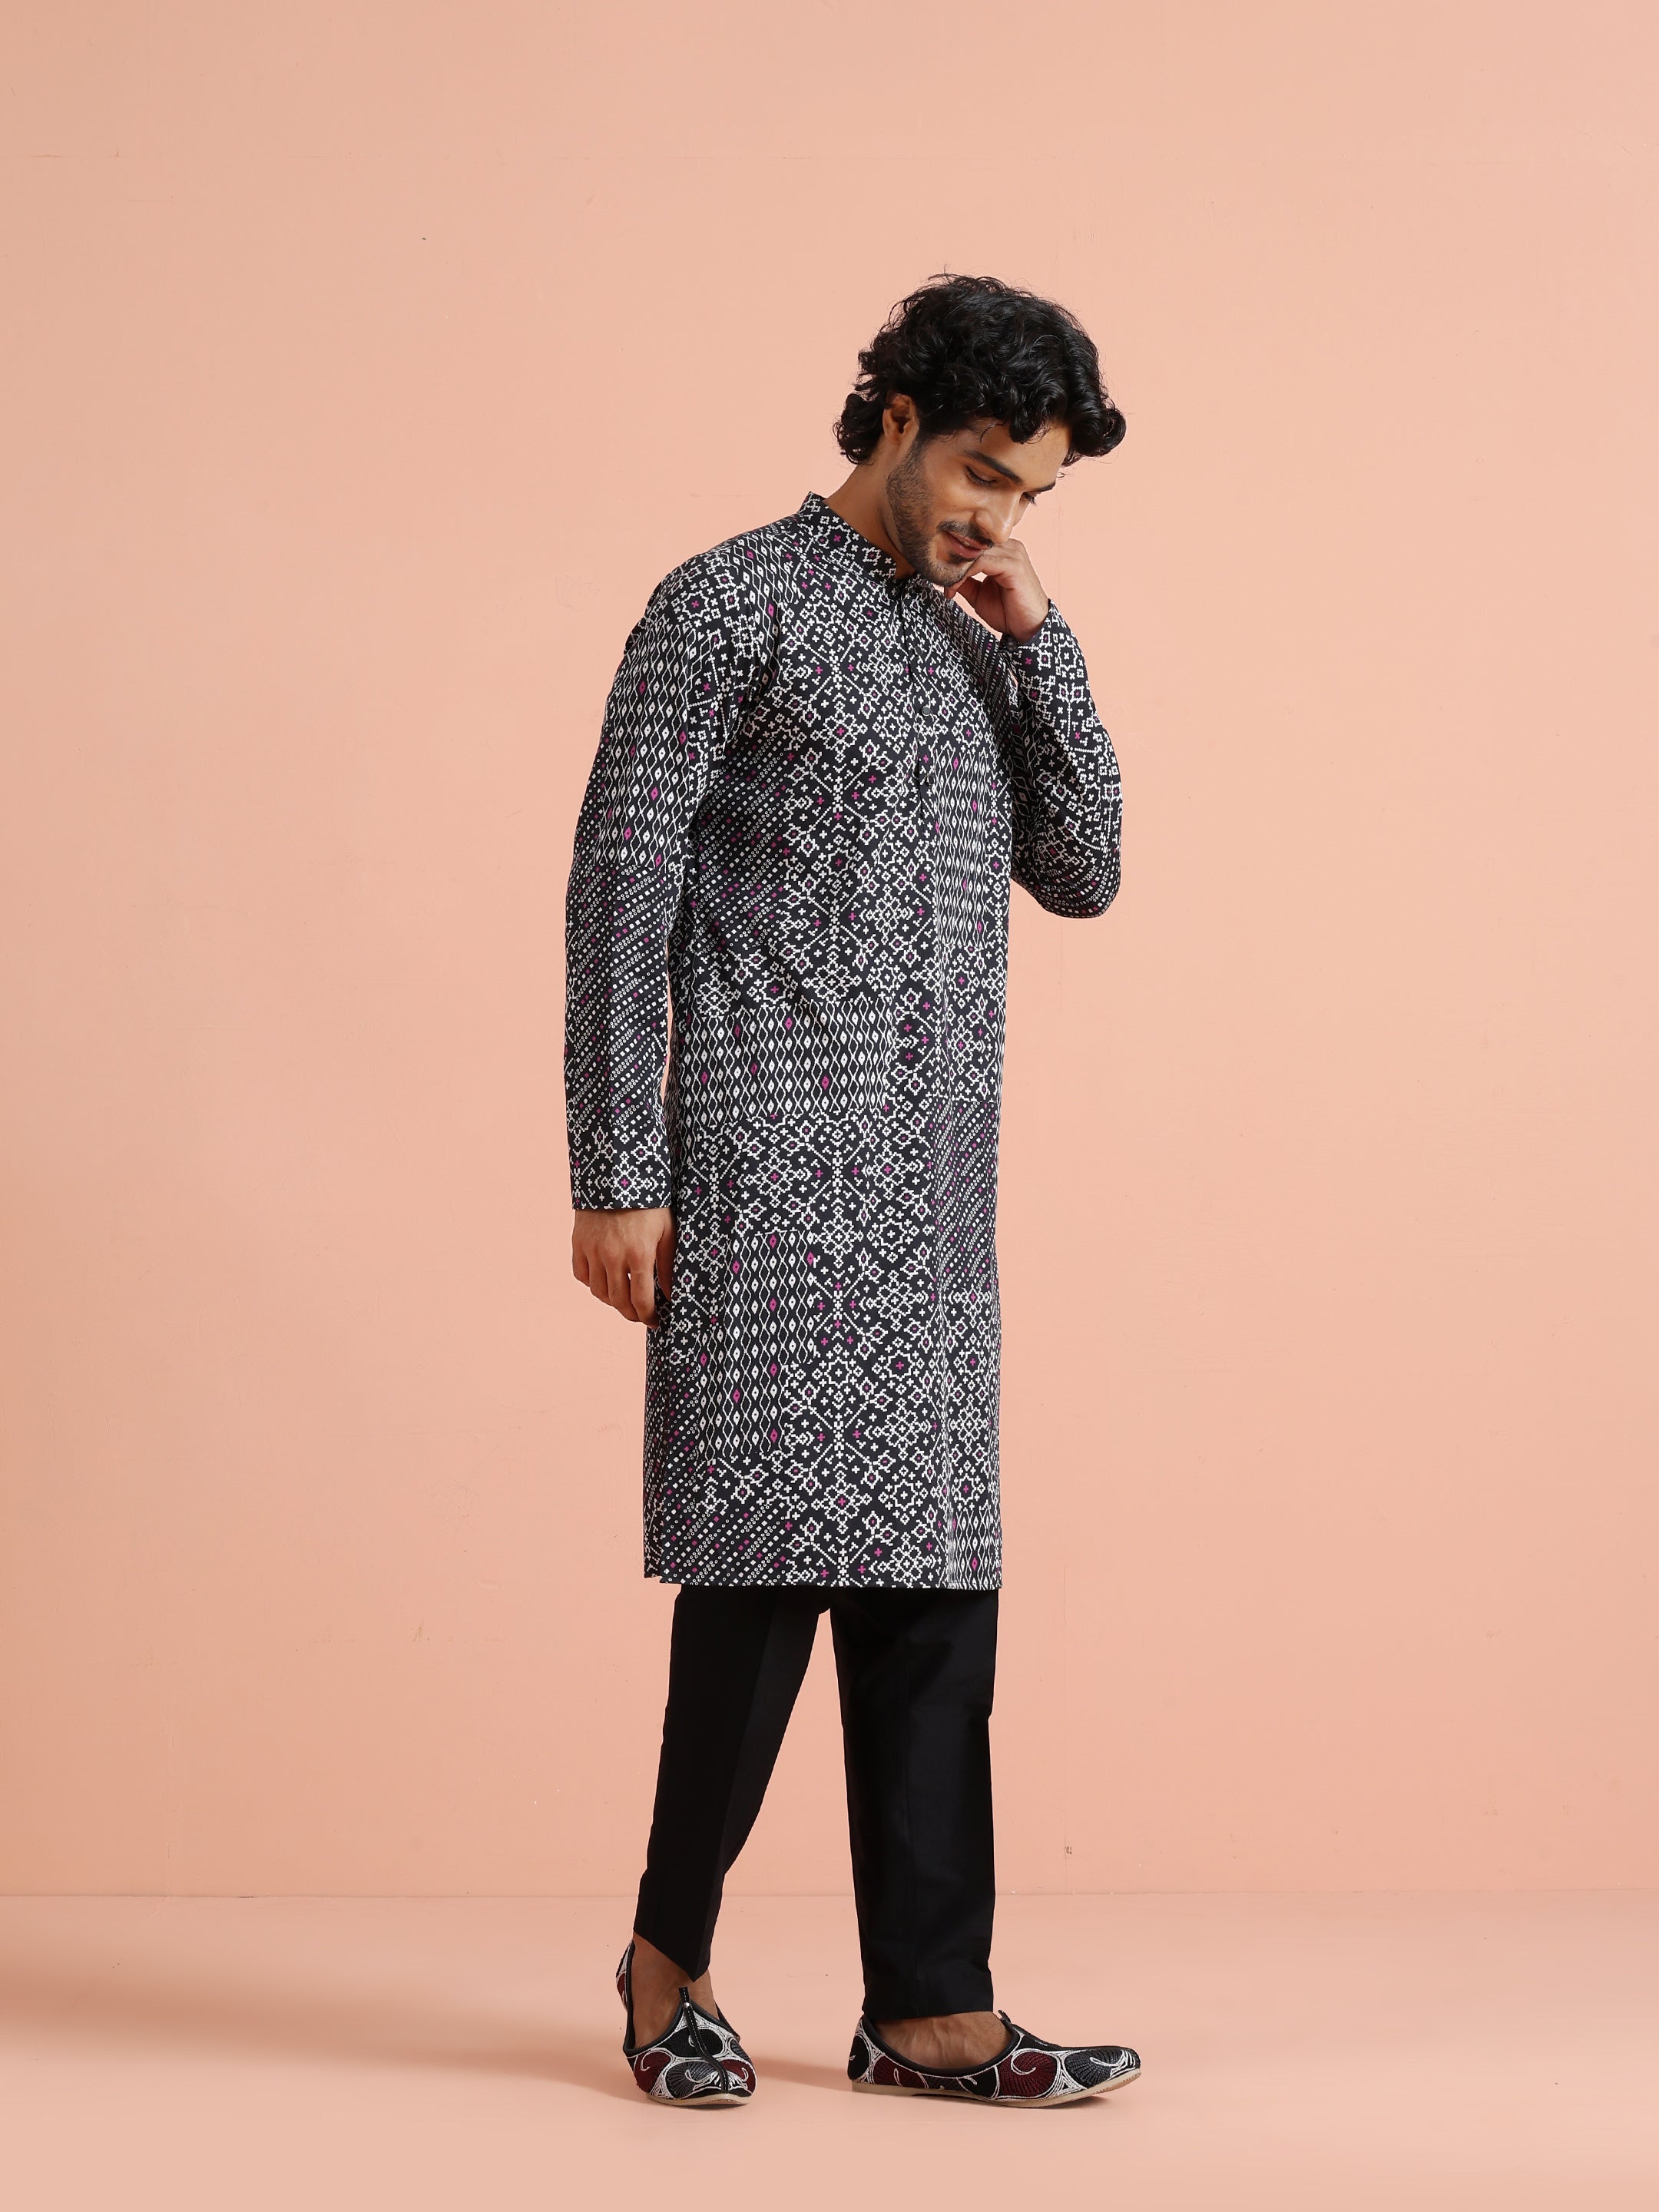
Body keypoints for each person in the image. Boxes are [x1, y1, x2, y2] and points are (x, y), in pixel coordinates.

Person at [563, 273, 1140, 2109]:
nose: (997, 517)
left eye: (1031, 494)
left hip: (936, 1197)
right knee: (759, 1579)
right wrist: (617, 1168)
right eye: (982, 473)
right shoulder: (723, 605)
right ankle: (667, 1966)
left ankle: (935, 2011)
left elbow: (1087, 866)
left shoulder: (978, 637)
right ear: (895, 418)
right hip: (765, 1176)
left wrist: (1039, 640)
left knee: (935, 1598)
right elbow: (618, 897)